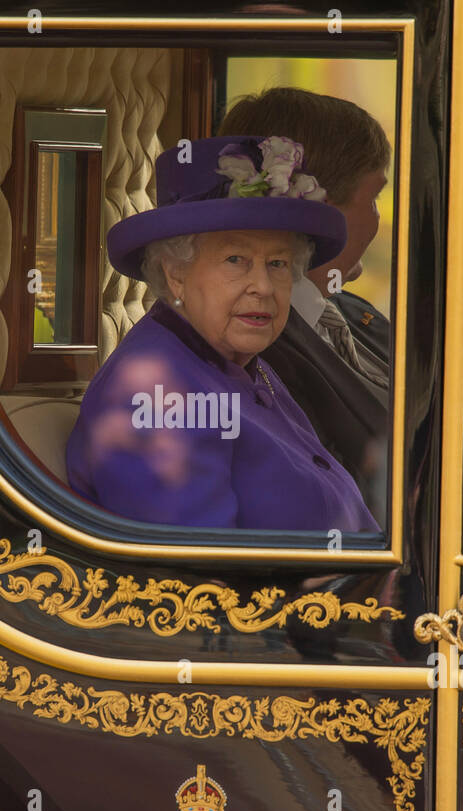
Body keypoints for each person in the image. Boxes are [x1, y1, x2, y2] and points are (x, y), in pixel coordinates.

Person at [218, 76, 463, 521]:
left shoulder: (350, 314)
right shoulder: (250, 349)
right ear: (321, 212)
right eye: (374, 198)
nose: (379, 220)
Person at [65, 135, 378, 532]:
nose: (263, 287)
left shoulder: (238, 361)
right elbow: (198, 581)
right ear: (175, 273)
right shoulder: (155, 394)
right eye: (236, 260)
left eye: (278, 264)